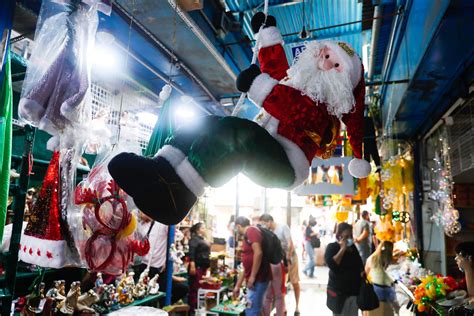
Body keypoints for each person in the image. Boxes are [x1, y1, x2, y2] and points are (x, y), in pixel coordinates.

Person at [137, 213, 189, 304]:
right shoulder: (143, 224)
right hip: (145, 266)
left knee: (180, 289)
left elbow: (175, 234)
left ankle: (162, 306)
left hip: (155, 268)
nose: (143, 213)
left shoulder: (162, 223)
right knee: (146, 297)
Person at [232, 216, 271, 316]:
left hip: (258, 279)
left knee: (252, 310)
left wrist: (252, 277)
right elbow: (246, 267)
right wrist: (237, 286)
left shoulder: (251, 231)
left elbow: (258, 253)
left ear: (238, 226)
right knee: (253, 308)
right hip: (254, 280)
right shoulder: (248, 235)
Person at [325, 222, 364, 316]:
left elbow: (359, 264)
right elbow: (333, 265)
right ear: (339, 236)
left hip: (353, 293)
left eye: (351, 236)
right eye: (346, 236)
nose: (349, 239)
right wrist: (342, 249)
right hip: (339, 294)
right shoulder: (332, 247)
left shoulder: (352, 248)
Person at [259, 214, 291, 316]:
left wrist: (288, 261)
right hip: (277, 264)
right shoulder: (271, 235)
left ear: (269, 221)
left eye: (264, 223)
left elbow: (290, 244)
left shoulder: (262, 235)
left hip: (268, 265)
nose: (264, 225)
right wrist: (285, 263)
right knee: (278, 295)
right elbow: (281, 251)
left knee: (268, 296)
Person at [365, 241, 399, 315]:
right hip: (388, 290)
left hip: (374, 289)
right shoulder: (391, 260)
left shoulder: (372, 258)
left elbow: (365, 274)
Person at [188, 222, 211, 312]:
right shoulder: (194, 239)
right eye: (203, 228)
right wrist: (193, 265)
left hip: (203, 267)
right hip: (197, 267)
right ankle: (193, 309)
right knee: (195, 288)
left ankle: (199, 307)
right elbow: (192, 252)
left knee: (200, 287)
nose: (204, 230)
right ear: (198, 230)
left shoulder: (202, 239)